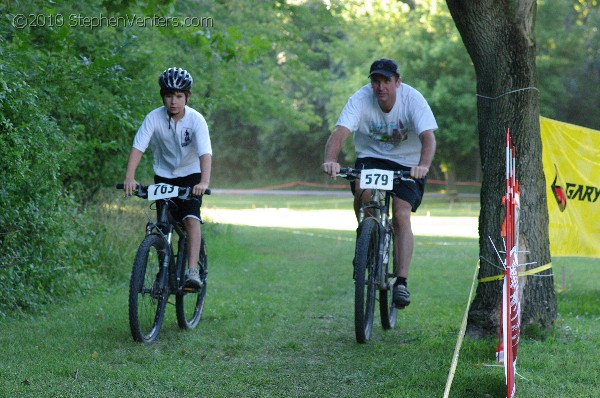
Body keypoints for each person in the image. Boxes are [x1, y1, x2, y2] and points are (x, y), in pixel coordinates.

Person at [322, 58, 437, 308]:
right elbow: (341, 132)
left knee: (400, 215)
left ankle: (402, 282)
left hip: (408, 163)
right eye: (376, 81)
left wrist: (423, 167)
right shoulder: (361, 99)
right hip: (371, 158)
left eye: (386, 81)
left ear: (398, 82)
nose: (380, 87)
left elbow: (428, 138)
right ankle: (367, 238)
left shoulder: (413, 100)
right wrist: (331, 160)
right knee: (363, 195)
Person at [123, 67, 212, 288]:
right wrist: (129, 177)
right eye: (169, 95)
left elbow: (205, 153)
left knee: (190, 219)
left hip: (191, 175)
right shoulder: (153, 117)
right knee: (162, 226)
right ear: (163, 96)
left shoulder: (196, 120)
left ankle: (192, 271)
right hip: (164, 174)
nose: (173, 101)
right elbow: (138, 146)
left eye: (179, 96)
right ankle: (164, 273)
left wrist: (204, 182)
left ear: (187, 97)